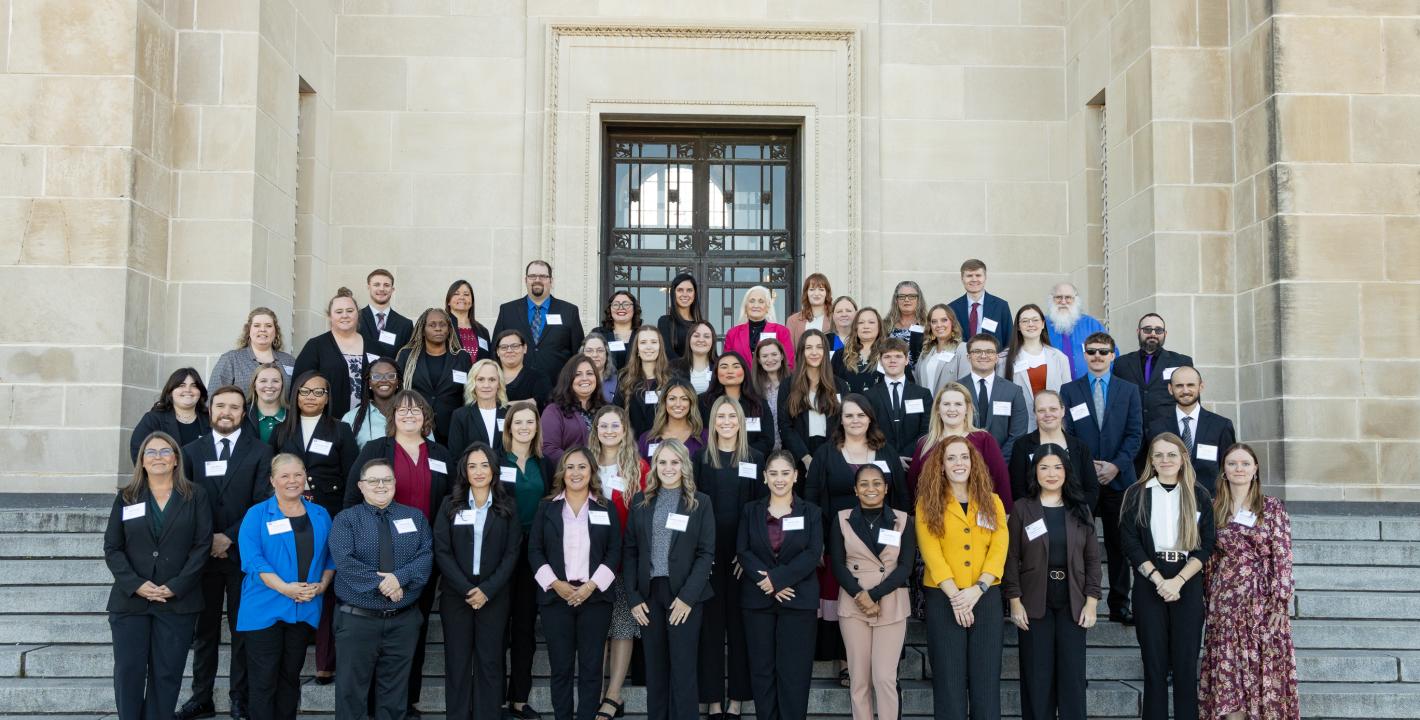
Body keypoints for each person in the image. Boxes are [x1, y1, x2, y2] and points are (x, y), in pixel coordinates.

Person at [343, 390, 451, 716]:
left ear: (426, 416)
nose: (408, 415)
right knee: (379, 632)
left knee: (411, 628)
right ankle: (376, 701)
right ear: (392, 416)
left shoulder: (441, 454)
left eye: (416, 409)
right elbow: (352, 497)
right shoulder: (377, 449)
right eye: (402, 410)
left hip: (423, 556)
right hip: (380, 555)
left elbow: (450, 503)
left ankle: (407, 700)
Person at [176, 386, 274, 720]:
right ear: (209, 409)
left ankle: (239, 697)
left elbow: (261, 503)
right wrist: (209, 539)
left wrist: (228, 538)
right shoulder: (190, 451)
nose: (226, 412)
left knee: (242, 630)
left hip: (241, 556)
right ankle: (200, 696)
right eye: (220, 406)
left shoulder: (260, 452)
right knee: (204, 632)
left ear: (243, 411)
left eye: (234, 407)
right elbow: (183, 503)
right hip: (201, 558)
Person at [106, 432, 212, 720]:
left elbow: (202, 546)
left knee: (167, 674)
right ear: (141, 460)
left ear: (176, 459)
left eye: (165, 452)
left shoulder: (195, 496)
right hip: (131, 602)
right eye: (150, 453)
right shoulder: (127, 497)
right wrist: (137, 584)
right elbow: (113, 548)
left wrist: (175, 586)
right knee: (129, 672)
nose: (158, 458)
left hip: (177, 602)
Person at [804, 394, 909, 684]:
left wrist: (902, 539)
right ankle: (847, 663)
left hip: (881, 549)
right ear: (840, 419)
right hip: (838, 545)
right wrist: (817, 540)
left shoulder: (886, 452)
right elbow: (811, 498)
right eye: (849, 416)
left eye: (861, 415)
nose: (855, 421)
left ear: (870, 419)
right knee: (845, 604)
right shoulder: (826, 453)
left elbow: (900, 496)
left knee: (883, 601)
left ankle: (884, 666)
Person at [269, 372, 358, 685]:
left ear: (327, 396)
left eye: (318, 392)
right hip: (286, 517)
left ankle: (325, 661)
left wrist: (346, 519)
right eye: (304, 391)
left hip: (328, 516)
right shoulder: (281, 431)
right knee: (292, 578)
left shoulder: (341, 430)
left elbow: (351, 478)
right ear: (295, 395)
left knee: (327, 585)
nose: (310, 397)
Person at [1119, 433, 1216, 720]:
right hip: (1151, 582)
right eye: (1158, 455)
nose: (1165, 460)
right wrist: (1159, 580)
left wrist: (1178, 581)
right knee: (1154, 667)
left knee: (1186, 667)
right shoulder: (1137, 493)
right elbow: (1129, 542)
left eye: (1171, 454)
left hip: (1186, 580)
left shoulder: (1198, 494)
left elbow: (1206, 544)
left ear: (1183, 458)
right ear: (1151, 460)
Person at [327, 459, 433, 720]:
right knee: (351, 693)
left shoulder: (414, 517)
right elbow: (345, 561)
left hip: (403, 621)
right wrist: (386, 585)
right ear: (361, 486)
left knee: (395, 696)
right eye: (373, 481)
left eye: (387, 480)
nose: (381, 485)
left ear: (395, 484)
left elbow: (426, 556)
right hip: (357, 621)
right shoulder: (346, 520)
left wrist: (400, 578)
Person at [1199, 444, 1299, 720]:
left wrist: (1280, 601)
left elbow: (1282, 554)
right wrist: (1209, 600)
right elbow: (1209, 561)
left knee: (1262, 672)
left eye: (1245, 463)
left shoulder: (1271, 507)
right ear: (1224, 471)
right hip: (1225, 603)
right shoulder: (1213, 508)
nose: (1239, 469)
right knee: (1229, 673)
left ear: (1255, 469)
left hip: (1263, 603)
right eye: (1232, 464)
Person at [1003, 444, 1101, 720]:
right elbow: (1010, 558)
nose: (1051, 473)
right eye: (1044, 467)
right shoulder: (1023, 508)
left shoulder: (1079, 509)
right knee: (1037, 678)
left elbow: (1093, 559)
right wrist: (1014, 602)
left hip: (1073, 601)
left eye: (1057, 467)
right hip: (1034, 601)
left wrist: (1092, 602)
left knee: (1072, 677)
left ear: (1066, 471)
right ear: (1035, 472)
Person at [915, 436, 1009, 720]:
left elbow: (1000, 547)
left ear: (974, 462)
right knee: (949, 680)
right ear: (941, 466)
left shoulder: (992, 501)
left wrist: (978, 588)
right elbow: (931, 552)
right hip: (944, 599)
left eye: (964, 457)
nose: (959, 463)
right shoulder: (928, 503)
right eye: (952, 458)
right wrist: (957, 596)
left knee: (986, 680)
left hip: (985, 596)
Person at [236, 454, 335, 720]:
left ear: (305, 478)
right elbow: (253, 559)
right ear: (273, 480)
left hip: (303, 608)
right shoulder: (257, 514)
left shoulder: (320, 514)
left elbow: (330, 556)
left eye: (298, 475)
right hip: (264, 609)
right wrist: (285, 588)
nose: (292, 481)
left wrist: (323, 584)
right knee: (263, 681)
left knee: (290, 678)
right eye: (285, 476)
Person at [623, 440, 716, 720]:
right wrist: (634, 597)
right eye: (662, 462)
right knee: (656, 671)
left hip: (685, 596)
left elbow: (706, 553)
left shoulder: (700, 502)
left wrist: (688, 597)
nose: (668, 468)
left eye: (675, 462)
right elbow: (630, 551)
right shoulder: (641, 501)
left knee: (684, 670)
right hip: (650, 595)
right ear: (654, 466)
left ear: (684, 465)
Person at [528, 447, 622, 720]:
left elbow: (614, 550)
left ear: (591, 471)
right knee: (561, 667)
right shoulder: (547, 507)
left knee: (592, 668)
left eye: (582, 467)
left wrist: (591, 586)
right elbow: (534, 550)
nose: (576, 472)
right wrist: (555, 583)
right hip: (556, 597)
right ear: (562, 472)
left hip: (595, 598)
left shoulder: (605, 506)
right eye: (570, 467)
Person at [432, 443, 524, 720]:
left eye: (484, 465)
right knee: (458, 664)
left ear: (494, 470)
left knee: (490, 662)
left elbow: (512, 553)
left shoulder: (507, 505)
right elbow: (442, 550)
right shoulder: (450, 504)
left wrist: (486, 589)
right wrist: (465, 587)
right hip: (456, 595)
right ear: (464, 471)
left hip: (493, 595)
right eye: (472, 466)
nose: (479, 471)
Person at [1060, 332, 1144, 624]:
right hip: (1082, 480)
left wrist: (1115, 466)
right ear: (1084, 354)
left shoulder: (1128, 390)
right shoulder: (1069, 391)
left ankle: (1120, 604)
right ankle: (1078, 598)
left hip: (1118, 480)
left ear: (1113, 355)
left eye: (1103, 352)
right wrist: (1087, 467)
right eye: (1092, 351)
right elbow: (1066, 433)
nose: (1097, 357)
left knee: (1119, 544)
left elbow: (1136, 434)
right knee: (1077, 542)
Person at [737, 450, 823, 720]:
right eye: (773, 473)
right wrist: (770, 583)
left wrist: (776, 579)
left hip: (798, 601)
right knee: (762, 672)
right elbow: (743, 551)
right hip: (757, 602)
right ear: (764, 477)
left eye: (785, 473)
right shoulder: (751, 510)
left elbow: (812, 554)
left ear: (796, 476)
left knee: (794, 672)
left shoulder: (812, 512)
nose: (779, 479)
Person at [829, 463, 916, 720]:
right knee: (859, 680)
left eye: (877, 483)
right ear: (855, 490)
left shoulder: (902, 520)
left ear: (886, 488)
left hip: (891, 600)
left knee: (885, 677)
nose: (871, 488)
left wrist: (873, 595)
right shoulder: (841, 518)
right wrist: (860, 595)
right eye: (864, 484)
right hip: (853, 603)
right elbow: (838, 563)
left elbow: (906, 566)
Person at [694, 397, 764, 719]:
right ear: (712, 422)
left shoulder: (755, 458)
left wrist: (745, 553)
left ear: (740, 421)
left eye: (731, 416)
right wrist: (701, 556)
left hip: (743, 557)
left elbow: (760, 511)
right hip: (707, 557)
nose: (725, 421)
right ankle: (712, 700)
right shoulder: (700, 460)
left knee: (739, 629)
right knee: (710, 629)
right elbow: (692, 509)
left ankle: (736, 700)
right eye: (720, 416)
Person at [586, 406, 650, 720]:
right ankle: (594, 690)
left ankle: (613, 695)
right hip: (589, 561)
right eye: (603, 425)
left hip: (626, 559)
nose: (609, 431)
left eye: (616, 425)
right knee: (596, 628)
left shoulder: (639, 468)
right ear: (595, 430)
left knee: (623, 626)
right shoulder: (585, 465)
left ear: (625, 430)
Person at [500, 400, 554, 720]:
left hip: (532, 555)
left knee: (523, 628)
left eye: (529, 422)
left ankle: (519, 698)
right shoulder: (496, 460)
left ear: (536, 427)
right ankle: (496, 698)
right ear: (509, 428)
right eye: (517, 422)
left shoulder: (543, 463)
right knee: (497, 629)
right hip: (501, 552)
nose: (524, 427)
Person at [905, 382, 1013, 511]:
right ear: (938, 409)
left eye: (958, 404)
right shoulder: (925, 443)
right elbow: (913, 485)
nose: (952, 409)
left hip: (977, 515)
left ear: (967, 408)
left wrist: (1005, 514)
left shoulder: (984, 440)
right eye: (946, 404)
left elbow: (1000, 481)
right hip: (934, 517)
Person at [1113, 313, 1194, 453]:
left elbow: (1191, 400)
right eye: (1147, 329)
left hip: (1168, 438)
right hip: (1131, 440)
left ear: (1165, 333)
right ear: (1138, 332)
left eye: (1158, 330)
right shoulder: (1121, 364)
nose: (1153, 334)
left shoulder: (1181, 362)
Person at [493, 260, 586, 380]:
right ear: (525, 280)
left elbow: (578, 354)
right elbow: (495, 351)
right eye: (532, 276)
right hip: (515, 387)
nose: (537, 280)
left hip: (558, 388)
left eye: (543, 276)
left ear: (551, 281)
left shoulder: (569, 311)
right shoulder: (508, 310)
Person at [1150, 366, 1236, 494]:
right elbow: (1151, 468)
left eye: (1190, 385)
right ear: (1170, 389)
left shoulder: (1221, 426)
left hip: (1210, 501)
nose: (1185, 390)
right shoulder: (1157, 427)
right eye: (1179, 386)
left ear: (1201, 387)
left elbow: (1230, 467)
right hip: (1168, 499)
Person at [1007, 390, 1100, 507]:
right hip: (1036, 518)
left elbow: (1092, 489)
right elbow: (1018, 489)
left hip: (1076, 517)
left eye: (1053, 409)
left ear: (1063, 411)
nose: (1048, 414)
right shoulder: (1022, 446)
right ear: (1035, 414)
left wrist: (1077, 515)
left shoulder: (1080, 446)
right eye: (1041, 410)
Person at [396, 308, 473, 446]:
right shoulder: (407, 356)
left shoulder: (462, 358)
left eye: (442, 324)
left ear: (449, 329)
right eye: (432, 325)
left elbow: (470, 393)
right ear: (422, 330)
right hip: (416, 428)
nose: (438, 328)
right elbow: (398, 392)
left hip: (453, 430)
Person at [293, 288, 370, 420]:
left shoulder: (374, 346)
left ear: (357, 313)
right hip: (328, 423)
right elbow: (299, 385)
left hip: (367, 424)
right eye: (339, 312)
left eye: (350, 311)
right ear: (330, 316)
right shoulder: (315, 346)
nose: (344, 315)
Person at [778, 329, 842, 469]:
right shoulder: (788, 385)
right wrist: (806, 458)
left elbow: (842, 423)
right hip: (798, 456)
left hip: (832, 454)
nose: (814, 352)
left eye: (819, 347)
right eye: (808, 347)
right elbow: (785, 426)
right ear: (801, 352)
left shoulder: (839, 385)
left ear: (825, 351)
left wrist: (828, 455)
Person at [960, 332, 1029, 461]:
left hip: (1002, 464)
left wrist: (997, 460)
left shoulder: (1013, 391)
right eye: (977, 351)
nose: (983, 355)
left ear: (997, 357)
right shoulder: (956, 389)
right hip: (964, 462)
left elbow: (1018, 434)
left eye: (989, 351)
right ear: (968, 357)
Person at [1002, 304, 1071, 431]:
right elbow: (1001, 396)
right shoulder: (1004, 359)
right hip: (1020, 426)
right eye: (1024, 321)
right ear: (1018, 326)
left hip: (1053, 426)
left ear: (1043, 324)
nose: (1030, 324)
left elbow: (1068, 396)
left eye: (1035, 320)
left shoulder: (1059, 358)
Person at [865, 338, 932, 464]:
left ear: (906, 360)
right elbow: (869, 430)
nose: (893, 361)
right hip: (882, 459)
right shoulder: (869, 396)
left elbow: (926, 431)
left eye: (898, 356)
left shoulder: (923, 394)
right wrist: (892, 457)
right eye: (887, 356)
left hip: (914, 460)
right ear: (880, 361)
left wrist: (906, 455)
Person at [699, 351, 774, 457]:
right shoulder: (704, 402)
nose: (730, 371)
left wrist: (740, 455)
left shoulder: (758, 403)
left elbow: (767, 441)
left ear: (744, 371)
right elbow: (698, 435)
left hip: (749, 463)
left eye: (735, 367)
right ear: (716, 373)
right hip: (713, 461)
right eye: (724, 367)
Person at [130, 368, 210, 463]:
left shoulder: (210, 420)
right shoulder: (153, 419)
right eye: (181, 385)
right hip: (167, 477)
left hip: (202, 477)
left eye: (194, 386)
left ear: (200, 392)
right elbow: (138, 451)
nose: (188, 390)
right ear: (170, 392)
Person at [542, 354, 608, 466]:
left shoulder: (606, 409)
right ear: (568, 379)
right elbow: (549, 449)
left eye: (590, 373)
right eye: (578, 374)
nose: (585, 378)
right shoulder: (554, 411)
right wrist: (581, 465)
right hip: (572, 477)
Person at [210, 307, 296, 391]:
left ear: (275, 331)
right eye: (257, 325)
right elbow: (214, 396)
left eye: (268, 326)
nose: (262, 329)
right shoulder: (231, 359)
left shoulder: (289, 361)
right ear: (249, 330)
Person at [614, 325, 674, 438]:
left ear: (660, 347)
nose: (649, 347)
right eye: (643, 342)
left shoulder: (672, 379)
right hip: (633, 449)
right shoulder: (625, 379)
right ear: (636, 349)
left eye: (654, 342)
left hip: (664, 449)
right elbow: (616, 414)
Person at [723, 285, 796, 370]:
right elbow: (726, 363)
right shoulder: (732, 333)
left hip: (772, 382)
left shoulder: (781, 331)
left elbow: (789, 363)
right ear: (746, 307)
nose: (756, 305)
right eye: (752, 301)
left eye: (761, 301)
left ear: (768, 307)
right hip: (742, 382)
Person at [1044, 282, 1106, 381]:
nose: (1063, 302)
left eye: (1068, 297)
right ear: (1051, 299)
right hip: (1052, 389)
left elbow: (1110, 354)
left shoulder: (1092, 325)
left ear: (1076, 300)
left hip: (1088, 388)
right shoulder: (1041, 325)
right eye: (1058, 297)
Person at [447, 359, 508, 456]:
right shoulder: (460, 416)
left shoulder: (510, 413)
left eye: (492, 380)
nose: (486, 385)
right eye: (480, 379)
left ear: (499, 384)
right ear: (473, 383)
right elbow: (456, 456)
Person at [947, 258, 1012, 348]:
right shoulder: (951, 308)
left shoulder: (1001, 306)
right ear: (962, 279)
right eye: (969, 276)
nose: (974, 279)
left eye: (978, 275)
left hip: (994, 361)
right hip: (962, 360)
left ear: (985, 278)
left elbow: (1009, 340)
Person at [638, 378, 706, 461]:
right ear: (664, 402)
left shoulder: (705, 437)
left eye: (684, 399)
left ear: (691, 403)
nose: (678, 404)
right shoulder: (647, 439)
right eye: (672, 399)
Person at [341, 358, 403, 448]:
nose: (384, 380)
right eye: (377, 376)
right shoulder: (351, 418)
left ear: (398, 381)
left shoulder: (414, 414)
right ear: (369, 383)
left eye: (390, 376)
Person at [358, 269, 415, 360]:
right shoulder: (355, 319)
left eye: (386, 285)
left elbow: (407, 359)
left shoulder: (405, 325)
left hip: (392, 374)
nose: (381, 289)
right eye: (376, 284)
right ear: (369, 287)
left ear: (392, 289)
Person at [914, 303, 968, 396]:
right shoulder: (926, 351)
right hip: (927, 408)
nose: (939, 325)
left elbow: (965, 385)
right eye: (934, 321)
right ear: (930, 326)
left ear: (952, 322)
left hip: (950, 408)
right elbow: (918, 383)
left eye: (944, 320)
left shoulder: (962, 349)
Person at [831, 307, 885, 395]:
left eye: (871, 322)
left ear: (879, 326)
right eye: (861, 322)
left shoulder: (889, 354)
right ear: (855, 327)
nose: (866, 326)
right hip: (847, 407)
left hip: (879, 408)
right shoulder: (840, 355)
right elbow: (831, 386)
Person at [495, 329, 553, 409]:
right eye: (504, 347)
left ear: (524, 348)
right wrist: (527, 402)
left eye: (515, 346)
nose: (509, 350)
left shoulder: (538, 377)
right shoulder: (490, 377)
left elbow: (543, 402)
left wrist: (502, 407)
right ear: (498, 351)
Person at [657, 272, 706, 361]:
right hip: (675, 373)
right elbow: (667, 353)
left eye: (689, 290)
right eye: (680, 290)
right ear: (673, 294)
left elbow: (710, 355)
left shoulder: (702, 325)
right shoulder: (665, 322)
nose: (685, 294)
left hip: (700, 373)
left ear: (694, 294)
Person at [752, 337, 789, 450]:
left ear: (782, 356)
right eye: (764, 356)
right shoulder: (753, 389)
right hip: (763, 450)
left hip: (790, 449)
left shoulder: (794, 384)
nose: (770, 359)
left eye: (774, 354)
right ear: (758, 360)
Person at [883, 280, 928, 372]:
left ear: (918, 299)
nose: (906, 300)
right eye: (902, 296)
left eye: (911, 296)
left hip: (919, 379)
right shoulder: (885, 325)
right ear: (896, 300)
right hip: (890, 377)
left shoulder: (927, 325)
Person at [446, 279, 492, 363]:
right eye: (456, 293)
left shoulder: (483, 331)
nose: (462, 297)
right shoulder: (442, 327)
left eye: (466, 294)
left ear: (472, 302)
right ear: (448, 301)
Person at [593, 290, 640, 371]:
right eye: (616, 304)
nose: (621, 308)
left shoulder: (642, 334)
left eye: (626, 304)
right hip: (605, 382)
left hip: (637, 382)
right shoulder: (598, 334)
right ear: (610, 309)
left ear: (634, 309)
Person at [785, 272, 833, 347]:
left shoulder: (834, 319)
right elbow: (789, 352)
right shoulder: (793, 321)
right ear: (806, 293)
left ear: (827, 293)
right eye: (812, 289)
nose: (816, 293)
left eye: (821, 289)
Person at [670, 320, 718, 394]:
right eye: (696, 336)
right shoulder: (674, 367)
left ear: (713, 341)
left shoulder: (719, 366)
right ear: (689, 339)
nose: (701, 340)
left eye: (706, 336)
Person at [246, 363, 287, 442]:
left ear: (282, 385)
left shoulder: (293, 416)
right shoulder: (243, 415)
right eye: (263, 381)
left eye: (275, 381)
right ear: (254, 385)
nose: (269, 385)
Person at [581, 333, 619, 403]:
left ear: (606, 354)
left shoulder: (619, 382)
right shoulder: (574, 381)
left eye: (600, 350)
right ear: (582, 354)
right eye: (589, 351)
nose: (595, 355)